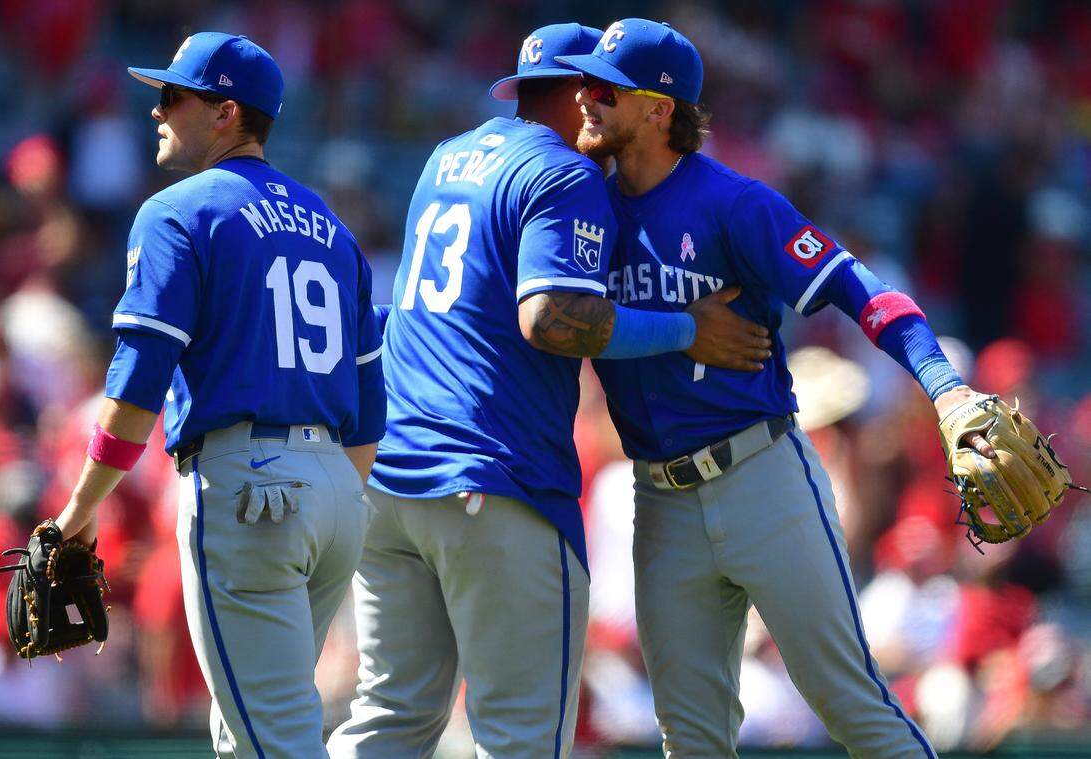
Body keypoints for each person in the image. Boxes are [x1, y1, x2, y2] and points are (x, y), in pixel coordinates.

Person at [556, 18, 1004, 758]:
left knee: (851, 704)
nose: (585, 99)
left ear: (659, 110)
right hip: (659, 499)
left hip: (761, 476)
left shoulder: (734, 203)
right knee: (691, 737)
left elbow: (859, 287)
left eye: (605, 88)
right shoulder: (583, 210)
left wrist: (945, 387)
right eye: (584, 84)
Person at [330, 22, 770, 759]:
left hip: (393, 483)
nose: (604, 103)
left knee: (389, 720)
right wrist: (682, 328)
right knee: (521, 740)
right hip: (494, 482)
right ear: (576, 91)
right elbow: (552, 318)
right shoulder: (563, 175)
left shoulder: (447, 157)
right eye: (597, 87)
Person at [51, 32, 385, 758]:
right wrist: (326, 492)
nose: (157, 111)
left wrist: (81, 506)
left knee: (274, 740)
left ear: (226, 111)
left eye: (174, 96)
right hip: (334, 491)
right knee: (252, 731)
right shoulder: (332, 227)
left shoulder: (179, 211)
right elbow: (369, 407)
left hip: (252, 489)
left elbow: (141, 375)